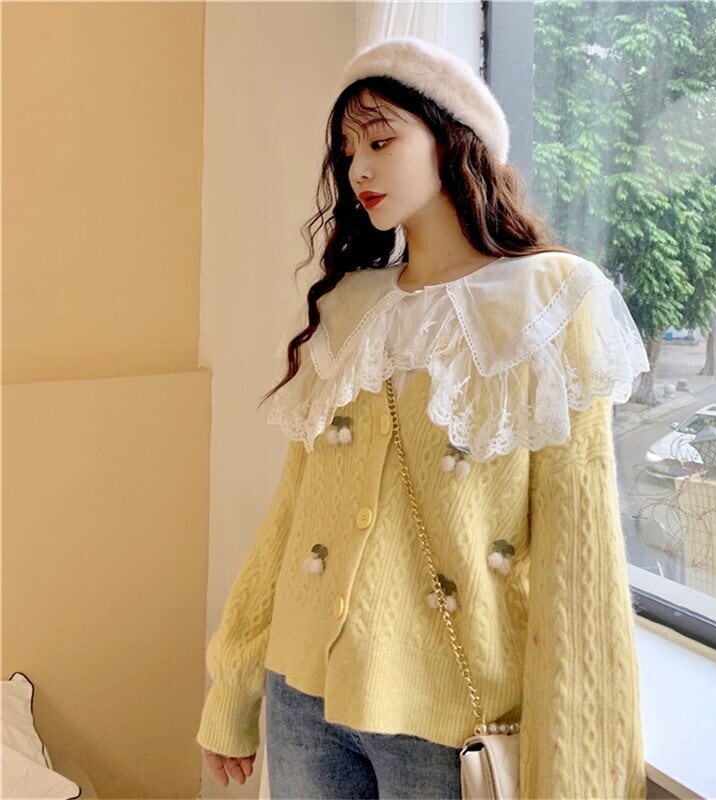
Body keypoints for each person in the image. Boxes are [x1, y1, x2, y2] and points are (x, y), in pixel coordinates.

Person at [197, 36, 651, 798]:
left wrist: (578, 779)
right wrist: (233, 684)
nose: (358, 169)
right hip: (301, 697)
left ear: (451, 140)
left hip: (448, 725)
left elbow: (581, 567)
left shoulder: (549, 306)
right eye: (348, 151)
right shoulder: (351, 309)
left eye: (381, 141)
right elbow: (294, 515)